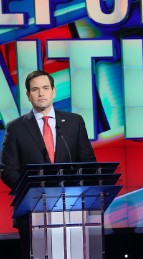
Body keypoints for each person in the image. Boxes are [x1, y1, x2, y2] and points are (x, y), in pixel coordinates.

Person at [0, 70, 96, 259]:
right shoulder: (15, 127)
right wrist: (34, 191)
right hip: (32, 212)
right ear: (28, 95)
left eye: (45, 88)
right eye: (35, 89)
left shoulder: (74, 122)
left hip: (71, 209)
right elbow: (7, 170)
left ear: (53, 91)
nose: (41, 93)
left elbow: (88, 164)